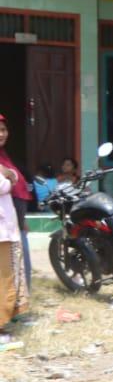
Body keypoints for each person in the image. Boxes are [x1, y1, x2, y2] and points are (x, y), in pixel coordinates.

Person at [0, 115, 33, 290]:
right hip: (4, 225)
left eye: (3, 130)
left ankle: (20, 300)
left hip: (14, 219)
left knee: (21, 262)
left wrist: (22, 219)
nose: (1, 134)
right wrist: (9, 175)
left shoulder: (3, 155)